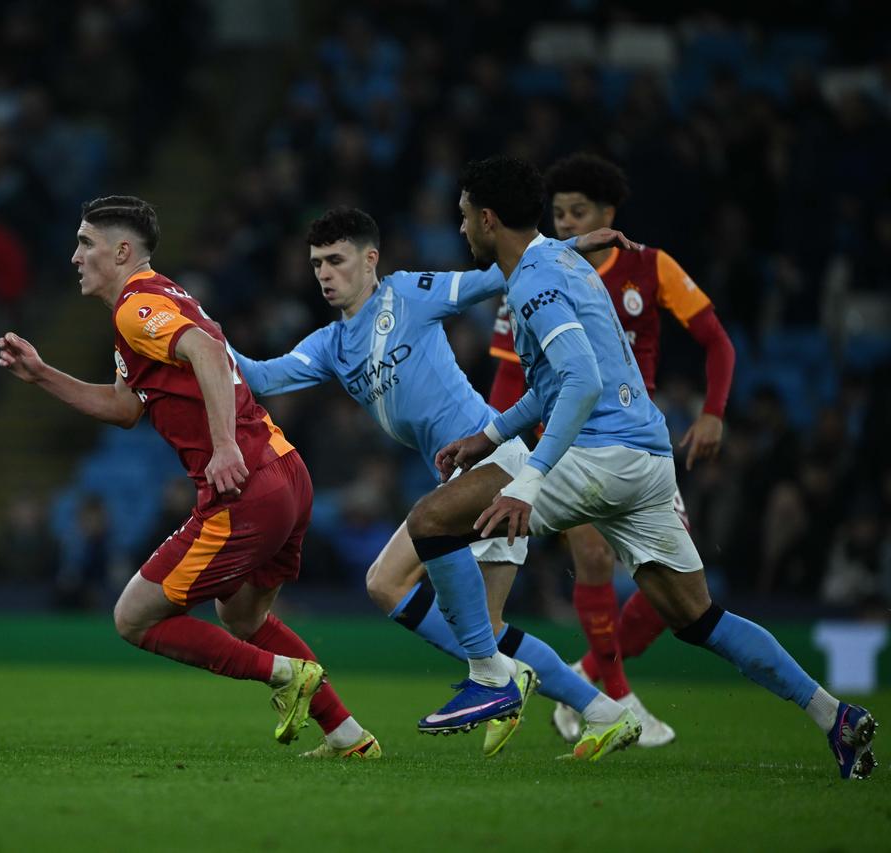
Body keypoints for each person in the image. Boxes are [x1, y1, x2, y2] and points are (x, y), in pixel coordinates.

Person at [420, 155, 876, 778]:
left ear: (489, 217)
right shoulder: (562, 260)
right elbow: (557, 382)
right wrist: (490, 435)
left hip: (596, 454)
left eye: (466, 216)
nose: (463, 228)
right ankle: (835, 716)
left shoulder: (533, 282)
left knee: (435, 520)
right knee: (700, 619)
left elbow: (578, 384)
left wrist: (528, 481)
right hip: (648, 458)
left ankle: (490, 678)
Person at [235, 206, 640, 759]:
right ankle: (602, 712)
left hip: (492, 463)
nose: (325, 274)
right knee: (479, 626)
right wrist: (197, 334)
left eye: (336, 260)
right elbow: (258, 375)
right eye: (316, 265)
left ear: (370, 260)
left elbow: (501, 272)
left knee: (388, 584)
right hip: (465, 476)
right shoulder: (332, 345)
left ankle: (501, 677)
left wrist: (567, 247)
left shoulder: (409, 293)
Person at [0, 195, 379, 758]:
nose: (75, 255)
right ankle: (348, 736)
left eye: (85, 243)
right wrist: (43, 375)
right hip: (285, 473)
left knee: (133, 617)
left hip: (244, 483)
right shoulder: (155, 301)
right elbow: (127, 408)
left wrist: (223, 446)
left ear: (121, 251)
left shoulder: (137, 307)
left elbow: (205, 349)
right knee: (242, 614)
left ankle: (285, 675)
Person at [488, 152, 736, 746]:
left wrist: (713, 412)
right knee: (595, 561)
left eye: (580, 212)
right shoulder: (534, 274)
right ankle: (615, 699)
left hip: (638, 442)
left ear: (608, 213)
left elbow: (717, 343)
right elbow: (506, 378)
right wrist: (497, 448)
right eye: (559, 212)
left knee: (671, 590)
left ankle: (587, 679)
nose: (568, 222)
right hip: (568, 439)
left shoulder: (650, 266)